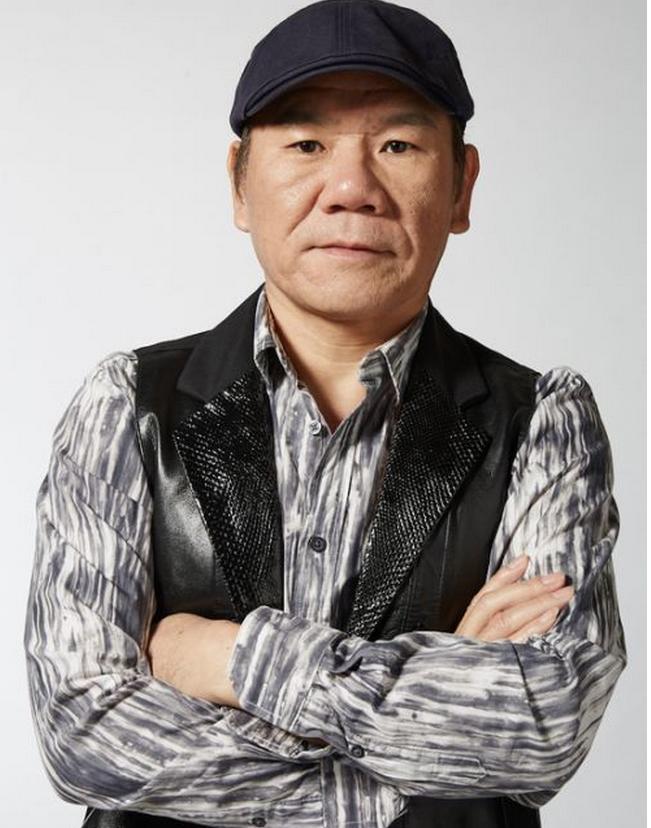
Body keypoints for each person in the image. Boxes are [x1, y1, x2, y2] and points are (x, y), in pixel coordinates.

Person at [23, 1, 627, 827]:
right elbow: (83, 732)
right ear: (239, 183)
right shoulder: (128, 404)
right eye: (306, 144)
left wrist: (230, 657)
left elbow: (539, 728)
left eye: (397, 145)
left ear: (461, 186)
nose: (351, 189)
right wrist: (430, 716)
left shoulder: (542, 420)